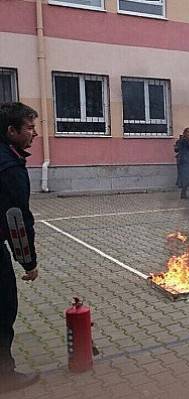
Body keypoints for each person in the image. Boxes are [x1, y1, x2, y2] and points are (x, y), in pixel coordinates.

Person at [0, 102, 40, 392]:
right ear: (11, 131)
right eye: (29, 128)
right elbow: (17, 220)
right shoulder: (9, 166)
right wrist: (29, 262)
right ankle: (5, 374)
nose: (34, 134)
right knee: (3, 308)